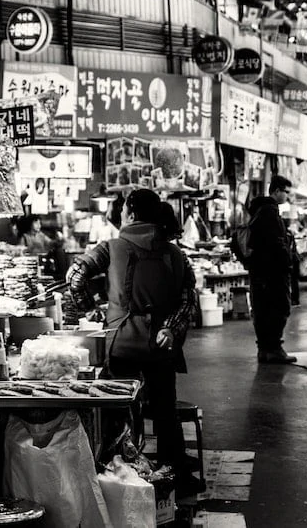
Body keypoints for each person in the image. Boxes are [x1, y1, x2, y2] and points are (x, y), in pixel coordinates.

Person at [67, 190, 197, 493]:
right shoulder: (175, 254)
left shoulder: (111, 247)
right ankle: (173, 475)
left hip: (120, 343)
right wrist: (170, 328)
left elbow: (75, 274)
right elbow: (188, 299)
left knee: (120, 412)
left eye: (124, 209)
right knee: (165, 410)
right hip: (161, 347)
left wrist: (89, 309)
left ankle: (121, 477)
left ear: (133, 214)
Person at [246, 175, 298, 363]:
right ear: (276, 191)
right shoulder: (269, 211)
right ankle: (274, 349)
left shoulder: (258, 210)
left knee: (263, 309)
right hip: (273, 271)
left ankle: (265, 349)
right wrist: (288, 263)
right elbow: (277, 244)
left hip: (260, 271)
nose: (287, 196)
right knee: (280, 307)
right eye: (285, 192)